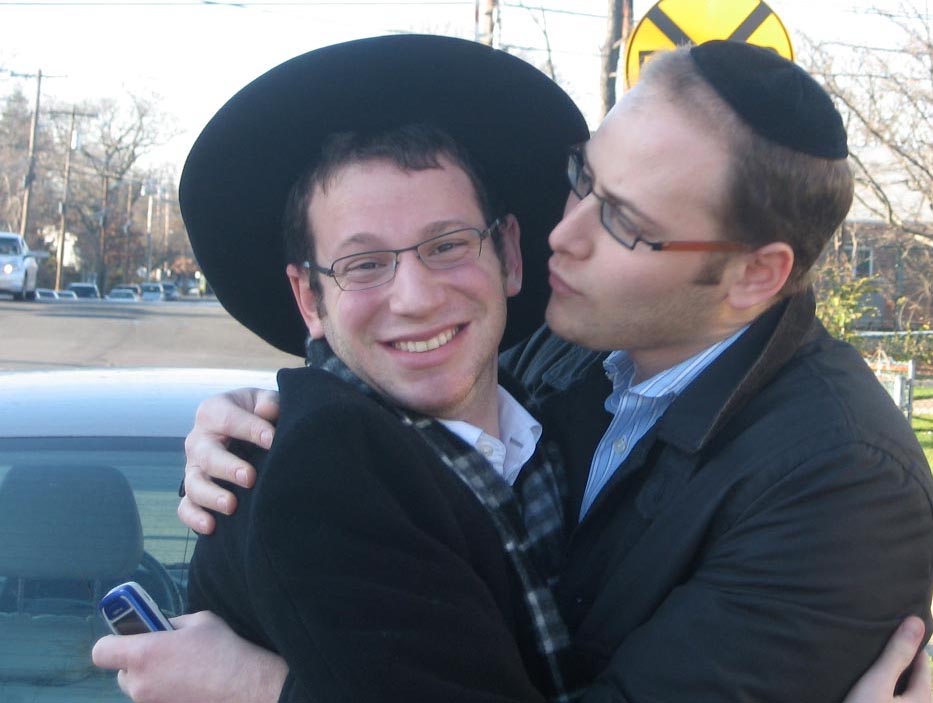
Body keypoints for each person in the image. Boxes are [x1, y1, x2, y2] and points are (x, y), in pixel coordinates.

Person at [97, 38, 933, 703]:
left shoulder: (841, 485)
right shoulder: (566, 352)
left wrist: (263, 687)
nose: (562, 233)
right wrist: (260, 425)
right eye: (581, 179)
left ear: (754, 274)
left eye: (623, 222)